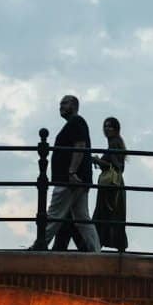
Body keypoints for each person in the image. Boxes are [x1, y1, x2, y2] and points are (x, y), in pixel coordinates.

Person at [36, 95, 100, 251]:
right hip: (79, 179)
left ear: (74, 105)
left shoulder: (76, 122)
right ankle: (96, 251)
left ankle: (39, 245)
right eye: (60, 104)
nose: (61, 106)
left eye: (65, 103)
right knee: (82, 219)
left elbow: (80, 146)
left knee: (53, 215)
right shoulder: (76, 123)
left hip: (69, 180)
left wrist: (71, 172)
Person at [91, 116, 127, 251]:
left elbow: (116, 165)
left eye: (110, 126)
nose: (106, 129)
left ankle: (96, 245)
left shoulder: (114, 143)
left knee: (104, 213)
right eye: (105, 126)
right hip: (115, 184)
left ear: (116, 129)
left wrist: (97, 160)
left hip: (111, 185)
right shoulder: (117, 142)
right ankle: (114, 246)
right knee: (114, 215)